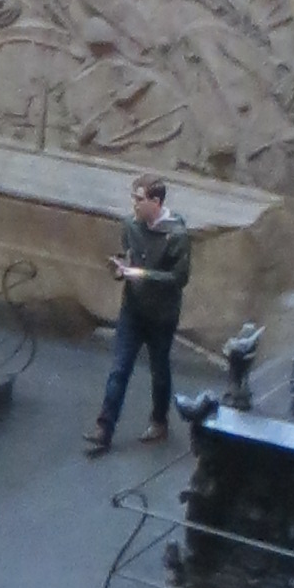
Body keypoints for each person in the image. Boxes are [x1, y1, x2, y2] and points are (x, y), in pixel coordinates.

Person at [85, 173, 193, 456]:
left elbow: (179, 278)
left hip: (162, 316)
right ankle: (104, 428)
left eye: (139, 199)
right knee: (119, 369)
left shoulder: (177, 235)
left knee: (159, 370)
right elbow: (130, 256)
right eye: (133, 198)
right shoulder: (130, 226)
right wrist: (121, 268)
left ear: (156, 202)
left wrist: (141, 274)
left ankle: (159, 420)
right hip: (133, 310)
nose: (134, 204)